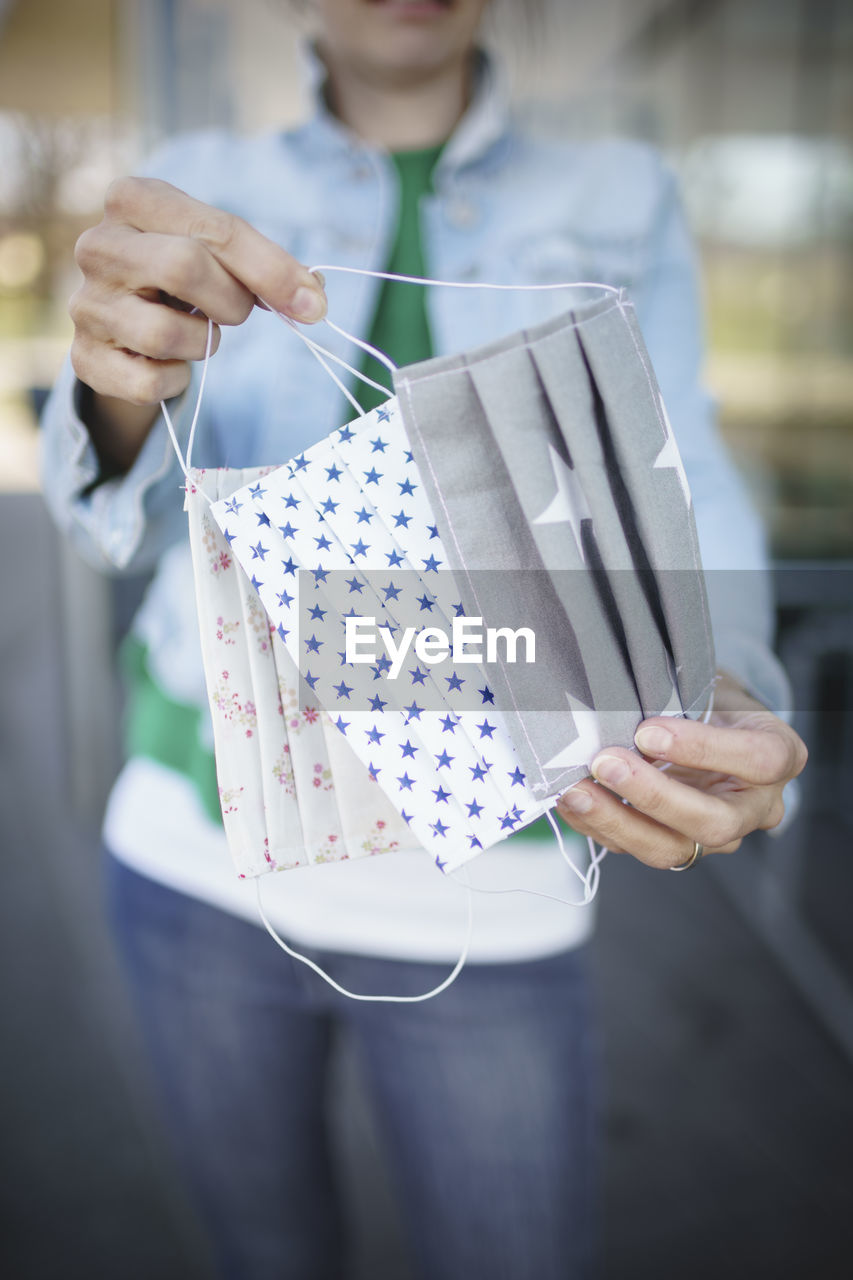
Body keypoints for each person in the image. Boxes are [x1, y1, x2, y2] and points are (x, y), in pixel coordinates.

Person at [41, 1, 807, 1277]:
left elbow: (683, 475)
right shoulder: (203, 183)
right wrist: (116, 391)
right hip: (200, 844)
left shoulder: (619, 191)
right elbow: (114, 520)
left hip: (498, 879)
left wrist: (723, 686)